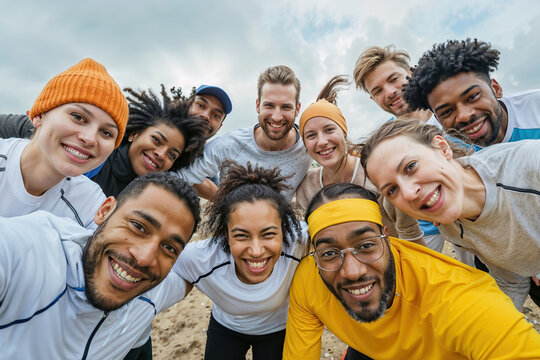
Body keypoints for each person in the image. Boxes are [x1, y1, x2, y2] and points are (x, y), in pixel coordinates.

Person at [283, 183, 540, 359]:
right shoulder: (308, 277)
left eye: (366, 246)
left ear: (386, 237)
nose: (351, 271)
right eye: (329, 253)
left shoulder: (455, 295)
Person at [0, 172, 201, 359]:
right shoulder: (30, 252)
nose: (144, 258)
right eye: (138, 226)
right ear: (104, 212)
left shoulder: (154, 294)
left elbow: (199, 270)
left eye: (169, 248)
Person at [359, 119, 540, 309]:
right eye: (392, 190)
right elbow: (509, 277)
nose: (409, 193)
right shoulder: (450, 225)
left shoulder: (530, 166)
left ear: (442, 147)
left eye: (410, 166)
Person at [175, 162, 309, 359]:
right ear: (225, 234)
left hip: (279, 329)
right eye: (241, 236)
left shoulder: (299, 242)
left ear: (284, 230)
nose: (256, 251)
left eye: (268, 234)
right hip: (226, 328)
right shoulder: (201, 258)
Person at [0, 58, 128, 229]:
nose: (89, 138)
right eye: (78, 117)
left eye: (106, 132)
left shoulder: (91, 205)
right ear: (39, 116)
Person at [295, 75, 424, 243]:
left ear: (343, 131)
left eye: (329, 130)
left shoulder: (376, 173)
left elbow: (410, 233)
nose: (322, 141)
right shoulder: (307, 187)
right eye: (311, 135)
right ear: (304, 143)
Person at [353, 45, 446, 254]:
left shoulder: (452, 113)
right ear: (372, 99)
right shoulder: (385, 143)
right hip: (424, 229)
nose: (390, 92)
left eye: (394, 79)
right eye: (377, 90)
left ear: (411, 73)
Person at [174, 65, 312, 201]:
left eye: (286, 107)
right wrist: (226, 203)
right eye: (269, 105)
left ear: (297, 108)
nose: (277, 117)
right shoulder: (228, 144)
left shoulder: (309, 147)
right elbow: (180, 178)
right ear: (258, 105)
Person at [403, 38, 540, 147]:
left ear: (496, 89)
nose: (464, 116)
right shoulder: (442, 148)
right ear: (438, 119)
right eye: (446, 112)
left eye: (472, 97)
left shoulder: (535, 109)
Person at [89, 85, 208, 197]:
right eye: (156, 140)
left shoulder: (153, 195)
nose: (161, 155)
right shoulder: (94, 160)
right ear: (134, 134)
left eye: (172, 155)